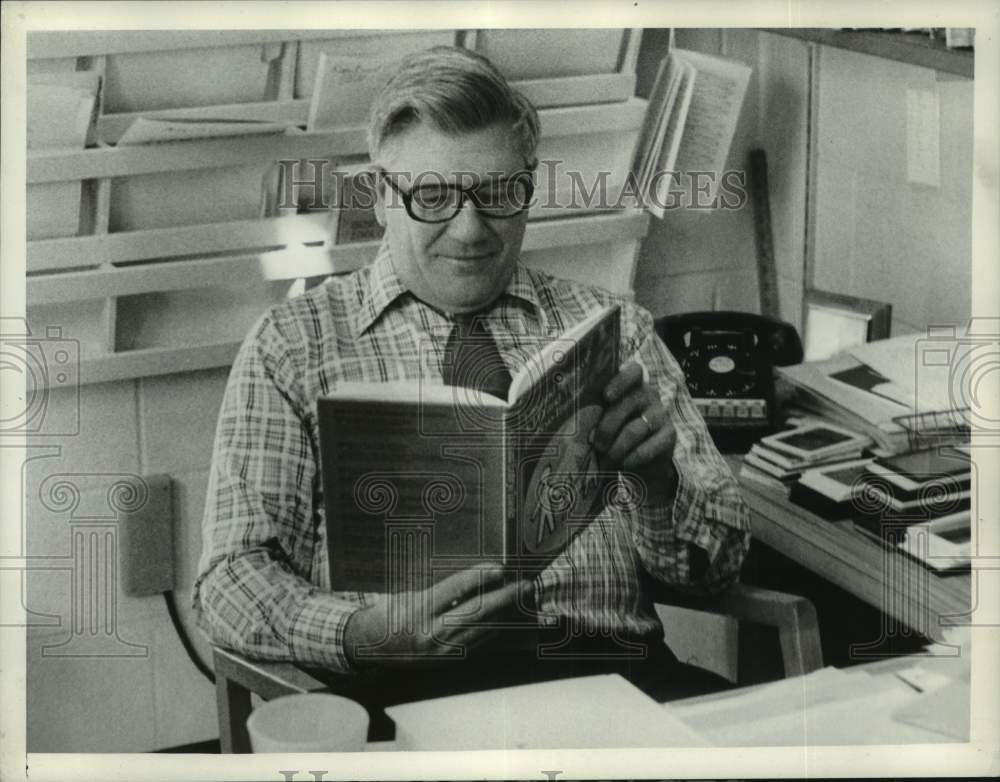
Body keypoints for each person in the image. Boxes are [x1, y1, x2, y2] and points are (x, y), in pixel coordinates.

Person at [194, 45, 750, 702]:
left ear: (529, 186)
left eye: (498, 194)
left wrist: (658, 487)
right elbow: (229, 581)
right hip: (407, 690)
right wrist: (364, 631)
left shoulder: (611, 328)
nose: (470, 230)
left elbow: (716, 570)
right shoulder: (293, 343)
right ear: (378, 197)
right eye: (433, 196)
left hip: (613, 676)